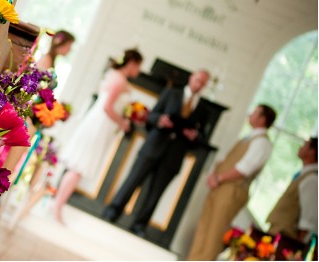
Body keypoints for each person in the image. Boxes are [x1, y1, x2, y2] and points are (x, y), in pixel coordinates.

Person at [102, 69, 211, 237]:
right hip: (154, 146)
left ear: (205, 86)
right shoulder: (171, 93)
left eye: (202, 83)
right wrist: (159, 120)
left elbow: (202, 138)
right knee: (133, 180)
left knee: (156, 193)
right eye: (197, 80)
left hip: (174, 156)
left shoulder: (204, 109)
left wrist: (195, 136)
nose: (198, 84)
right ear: (191, 78)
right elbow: (151, 115)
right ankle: (113, 211)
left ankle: (139, 225)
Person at [53, 49, 144, 224]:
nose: (138, 71)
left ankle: (58, 203)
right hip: (99, 125)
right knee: (78, 167)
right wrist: (122, 122)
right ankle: (57, 205)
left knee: (77, 167)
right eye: (138, 66)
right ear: (132, 63)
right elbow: (108, 107)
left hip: (99, 124)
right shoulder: (119, 80)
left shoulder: (114, 75)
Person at [187, 104, 277, 261]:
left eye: (255, 112)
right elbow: (226, 161)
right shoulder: (248, 138)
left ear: (262, 119)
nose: (250, 114)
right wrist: (214, 174)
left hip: (233, 189)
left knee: (215, 231)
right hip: (220, 186)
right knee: (204, 226)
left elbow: (244, 169)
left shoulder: (262, 143)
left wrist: (219, 178)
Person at [267, 137, 318, 242]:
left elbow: (308, 222)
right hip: (277, 232)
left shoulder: (312, 180)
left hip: (286, 238)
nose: (300, 147)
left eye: (305, 145)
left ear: (312, 152)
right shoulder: (304, 174)